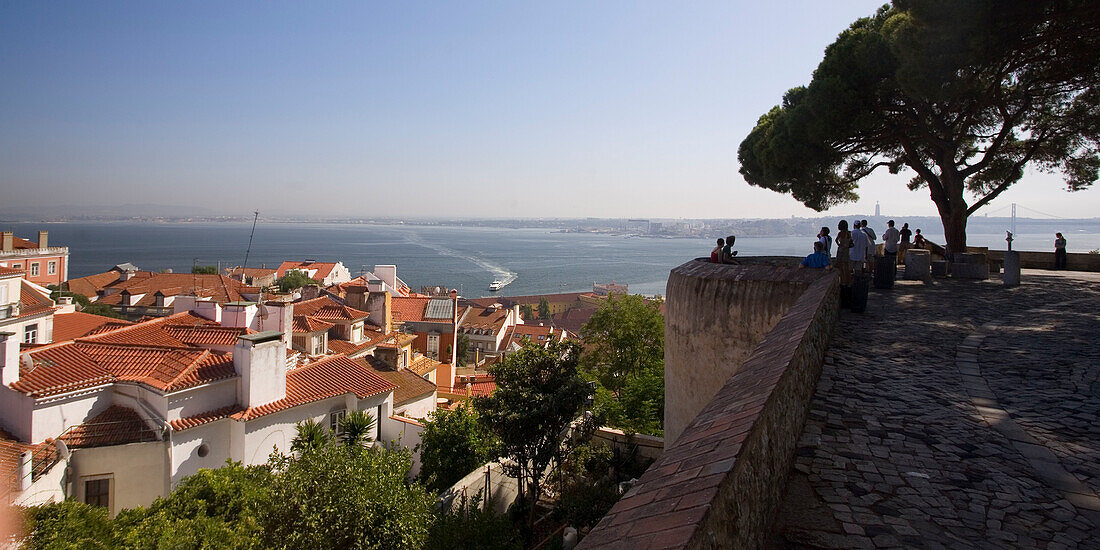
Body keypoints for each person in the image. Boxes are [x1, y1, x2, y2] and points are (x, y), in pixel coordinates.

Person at [835, 220, 853, 285]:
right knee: (846, 266)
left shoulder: (840, 233)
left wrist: (839, 245)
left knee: (840, 266)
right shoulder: (849, 233)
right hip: (847, 250)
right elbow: (851, 241)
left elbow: (836, 240)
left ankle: (843, 280)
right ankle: (848, 280)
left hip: (841, 250)